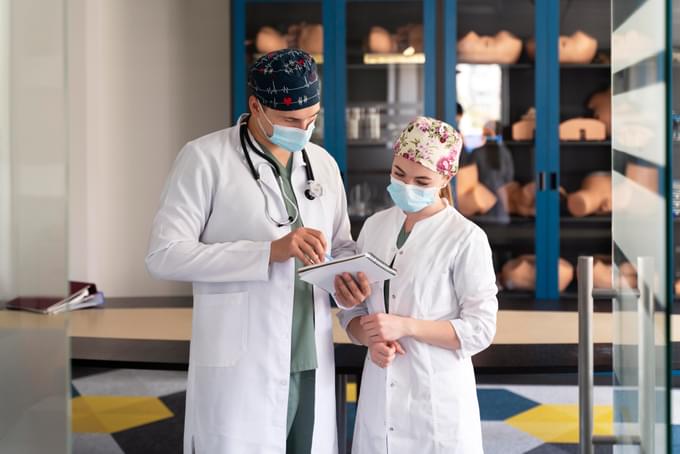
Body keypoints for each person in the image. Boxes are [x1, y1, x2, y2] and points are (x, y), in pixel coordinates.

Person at [146, 48, 360, 454]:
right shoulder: (204, 158)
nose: (304, 129)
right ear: (255, 106)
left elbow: (341, 243)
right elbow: (164, 254)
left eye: (312, 117)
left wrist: (349, 276)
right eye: (292, 121)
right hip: (241, 354)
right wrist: (267, 252)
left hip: (309, 349)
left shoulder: (323, 163)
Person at [335, 116, 498, 453]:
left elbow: (480, 329)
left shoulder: (466, 238)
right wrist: (370, 339)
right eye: (399, 175)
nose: (407, 186)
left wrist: (405, 326)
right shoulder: (375, 227)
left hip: (436, 395)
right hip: (380, 386)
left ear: (446, 177)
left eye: (422, 180)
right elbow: (355, 310)